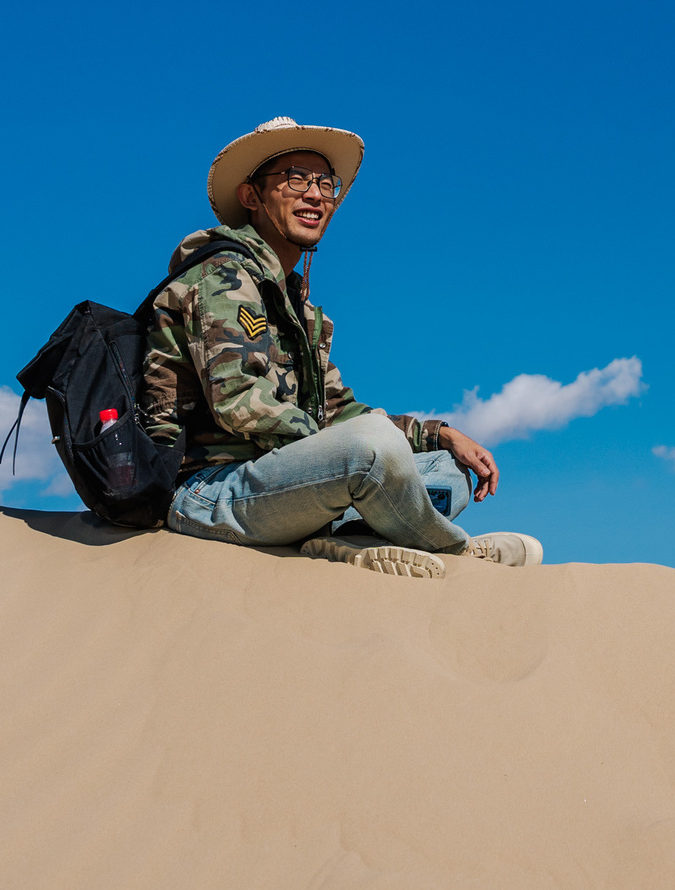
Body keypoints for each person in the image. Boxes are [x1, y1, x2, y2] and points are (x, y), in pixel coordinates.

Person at [142, 116, 543, 578]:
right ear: (251, 196)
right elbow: (238, 401)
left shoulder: (302, 311)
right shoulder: (223, 276)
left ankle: (350, 539)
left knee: (446, 469)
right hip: (210, 492)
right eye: (295, 178)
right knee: (370, 451)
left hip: (285, 484)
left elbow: (340, 413)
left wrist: (440, 435)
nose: (315, 195)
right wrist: (350, 450)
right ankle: (459, 554)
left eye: (325, 183)